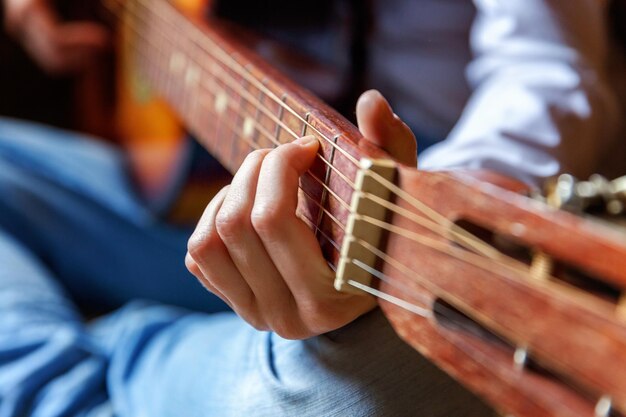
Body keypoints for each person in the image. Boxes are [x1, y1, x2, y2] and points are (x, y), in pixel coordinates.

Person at [0, 0, 620, 416]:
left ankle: (98, 352)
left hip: (402, 219)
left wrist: (410, 206)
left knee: (390, 377)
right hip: (193, 194)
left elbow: (548, 71)